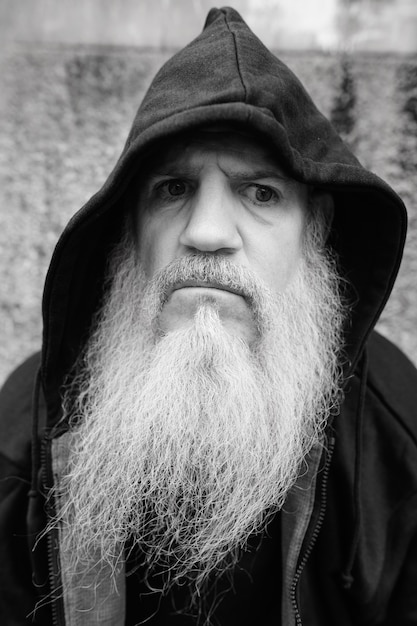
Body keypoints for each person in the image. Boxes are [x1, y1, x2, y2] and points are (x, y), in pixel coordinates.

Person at [0, 6, 416, 625]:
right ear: (128, 230)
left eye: (261, 192)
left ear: (315, 229)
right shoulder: (26, 435)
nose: (208, 231)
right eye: (173, 190)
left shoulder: (393, 435)